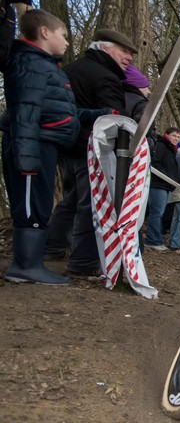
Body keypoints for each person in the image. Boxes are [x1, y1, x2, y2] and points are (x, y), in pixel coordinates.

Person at [1, 10, 112, 284]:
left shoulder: (47, 66)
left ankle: (31, 263)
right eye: (63, 35)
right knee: (31, 204)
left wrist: (101, 113)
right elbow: (25, 112)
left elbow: (63, 111)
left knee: (39, 202)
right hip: (32, 147)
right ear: (44, 32)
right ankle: (25, 265)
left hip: (45, 146)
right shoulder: (30, 63)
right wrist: (25, 158)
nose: (66, 42)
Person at [44, 29, 136, 276]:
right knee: (92, 203)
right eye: (124, 51)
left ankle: (51, 247)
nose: (129, 57)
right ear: (105, 48)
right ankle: (83, 262)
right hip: (93, 148)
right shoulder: (106, 77)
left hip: (68, 146)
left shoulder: (71, 69)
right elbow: (114, 121)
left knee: (71, 199)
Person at [145, 127, 180, 251]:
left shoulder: (171, 150)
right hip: (157, 184)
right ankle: (153, 240)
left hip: (165, 185)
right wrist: (167, 177)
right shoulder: (161, 146)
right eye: (174, 135)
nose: (176, 138)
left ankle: (155, 239)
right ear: (166, 135)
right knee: (156, 213)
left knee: (158, 213)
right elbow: (155, 163)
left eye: (178, 137)